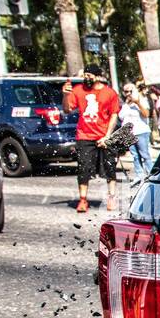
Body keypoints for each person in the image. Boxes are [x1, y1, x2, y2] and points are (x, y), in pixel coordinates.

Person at [62, 66, 121, 213]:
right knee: (83, 168)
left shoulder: (109, 93)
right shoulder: (78, 90)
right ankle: (83, 200)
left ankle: (111, 197)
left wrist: (107, 136)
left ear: (97, 76)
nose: (87, 78)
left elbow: (114, 114)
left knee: (109, 167)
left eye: (90, 75)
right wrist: (64, 95)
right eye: (85, 75)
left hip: (104, 135)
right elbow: (67, 109)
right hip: (84, 136)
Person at [120, 82, 154, 181]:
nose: (128, 94)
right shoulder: (125, 104)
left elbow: (146, 114)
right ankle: (140, 175)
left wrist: (137, 103)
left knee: (144, 154)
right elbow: (121, 116)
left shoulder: (141, 100)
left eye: (131, 91)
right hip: (129, 133)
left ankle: (150, 173)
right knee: (135, 155)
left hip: (141, 131)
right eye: (126, 92)